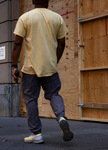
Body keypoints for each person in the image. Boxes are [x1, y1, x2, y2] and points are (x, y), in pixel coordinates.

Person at [12, 0, 74, 144]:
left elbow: (17, 43)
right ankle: (61, 117)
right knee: (53, 94)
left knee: (30, 99)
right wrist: (54, 61)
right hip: (50, 67)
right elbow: (62, 43)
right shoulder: (57, 18)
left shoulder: (25, 18)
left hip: (30, 68)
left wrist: (14, 66)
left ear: (33, 1)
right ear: (47, 1)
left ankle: (36, 134)